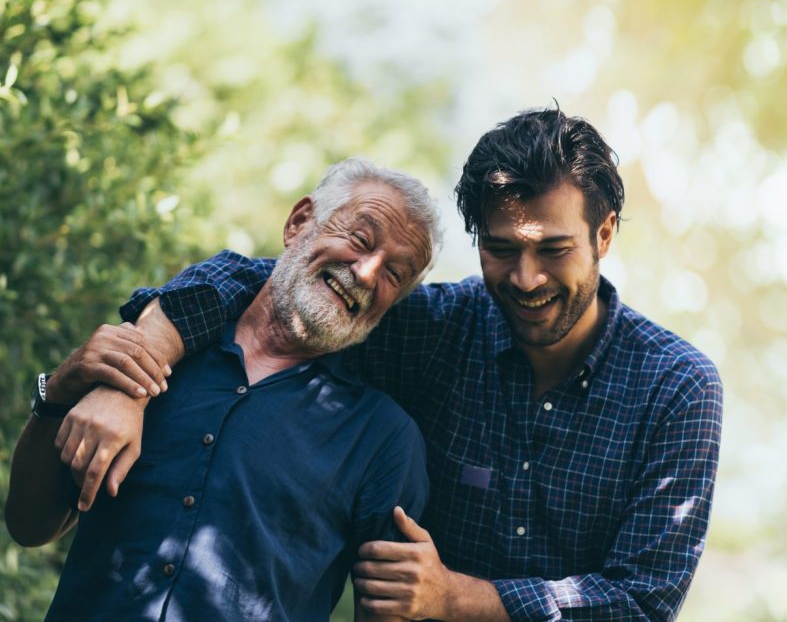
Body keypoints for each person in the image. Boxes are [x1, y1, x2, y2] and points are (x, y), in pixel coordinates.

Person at [53, 108, 723, 621]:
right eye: (500, 249)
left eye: (552, 249)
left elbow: (642, 602)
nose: (525, 278)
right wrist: (134, 372)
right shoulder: (436, 331)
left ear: (603, 234)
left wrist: (456, 597)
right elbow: (270, 283)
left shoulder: (676, 387)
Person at [4, 158, 445, 622]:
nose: (368, 273)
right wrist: (59, 388)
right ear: (299, 222)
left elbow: (392, 606)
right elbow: (29, 525)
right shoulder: (152, 349)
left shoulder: (384, 440)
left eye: (395, 274)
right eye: (360, 239)